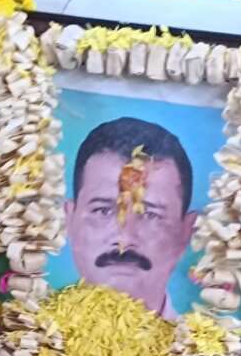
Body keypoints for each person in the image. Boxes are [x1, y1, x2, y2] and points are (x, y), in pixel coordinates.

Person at [65, 117, 197, 320]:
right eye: (103, 211)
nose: (123, 241)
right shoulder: (25, 332)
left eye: (150, 215)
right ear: (69, 220)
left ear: (186, 232)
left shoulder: (208, 342)